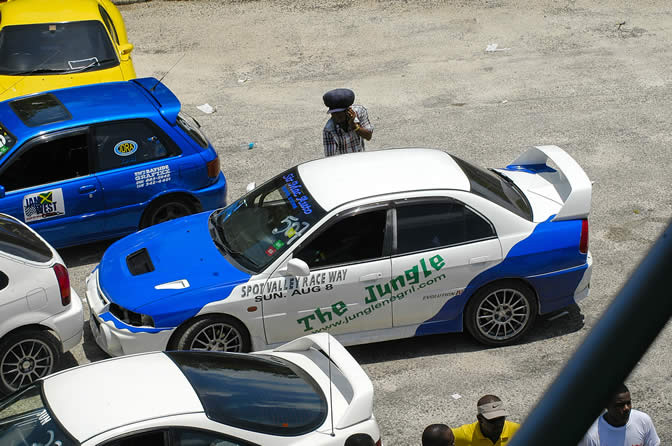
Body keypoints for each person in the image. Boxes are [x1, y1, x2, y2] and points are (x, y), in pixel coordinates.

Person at [578, 383, 660, 446]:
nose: (626, 408)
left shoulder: (643, 421)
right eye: (620, 405)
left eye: (628, 403)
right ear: (606, 406)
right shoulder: (591, 435)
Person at [322, 88, 373, 157]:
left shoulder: (360, 112)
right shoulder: (329, 130)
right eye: (333, 113)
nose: (336, 117)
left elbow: (368, 136)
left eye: (339, 114)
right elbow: (330, 158)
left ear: (348, 111)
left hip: (361, 158)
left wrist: (354, 126)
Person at [451, 395, 520, 446]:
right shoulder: (464, 434)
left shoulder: (518, 431)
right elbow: (441, 435)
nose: (499, 424)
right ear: (480, 419)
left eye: (501, 418)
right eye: (493, 420)